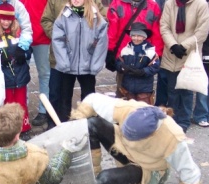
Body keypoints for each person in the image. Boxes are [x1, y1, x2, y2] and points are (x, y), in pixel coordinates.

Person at [70, 93, 206, 184]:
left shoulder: (172, 138)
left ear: (150, 135)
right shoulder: (129, 109)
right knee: (91, 123)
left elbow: (188, 169)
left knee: (103, 181)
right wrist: (77, 122)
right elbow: (93, 99)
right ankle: (90, 173)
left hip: (148, 167)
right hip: (124, 148)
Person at [41, 0, 106, 130]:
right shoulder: (63, 12)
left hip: (87, 62)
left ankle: (88, 127)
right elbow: (47, 21)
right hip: (65, 62)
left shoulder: (94, 10)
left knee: (88, 97)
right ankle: (61, 127)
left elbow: (102, 31)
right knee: (61, 96)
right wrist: (60, 39)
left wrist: (93, 51)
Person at [0, 2, 32, 141]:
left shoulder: (19, 33)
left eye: (8, 19)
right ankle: (8, 131)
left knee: (21, 103)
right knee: (8, 105)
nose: (5, 22)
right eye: (3, 19)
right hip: (5, 78)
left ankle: (24, 128)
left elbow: (28, 48)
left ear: (13, 19)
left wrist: (24, 54)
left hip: (20, 75)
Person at [160, 0, 209, 133]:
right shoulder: (170, 3)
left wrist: (183, 46)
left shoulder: (201, 4)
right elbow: (164, 26)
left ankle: (183, 122)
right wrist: (173, 45)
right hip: (171, 53)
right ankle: (171, 121)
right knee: (172, 91)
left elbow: (202, 32)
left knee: (187, 91)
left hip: (189, 54)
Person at [104, 0, 164, 98]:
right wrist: (110, 51)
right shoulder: (117, 3)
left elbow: (157, 33)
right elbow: (112, 30)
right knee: (123, 92)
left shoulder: (153, 6)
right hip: (124, 56)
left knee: (143, 95)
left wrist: (157, 55)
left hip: (145, 58)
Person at [21, 0, 51, 127]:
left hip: (42, 37)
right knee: (20, 76)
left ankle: (44, 110)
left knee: (45, 74)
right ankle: (22, 108)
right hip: (22, 38)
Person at [115, 22, 160, 105]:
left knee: (144, 112)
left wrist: (143, 71)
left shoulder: (150, 51)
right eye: (134, 36)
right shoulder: (125, 50)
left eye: (139, 36)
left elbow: (155, 67)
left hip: (144, 89)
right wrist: (123, 67)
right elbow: (118, 63)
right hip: (128, 88)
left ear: (144, 37)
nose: (136, 38)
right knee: (129, 111)